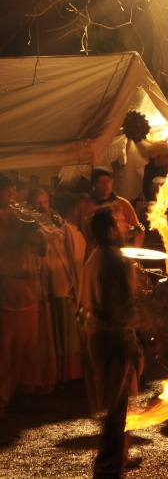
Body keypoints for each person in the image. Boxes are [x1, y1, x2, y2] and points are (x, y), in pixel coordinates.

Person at [80, 207, 144, 478]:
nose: (127, 226)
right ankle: (108, 468)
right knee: (117, 408)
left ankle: (119, 457)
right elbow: (124, 309)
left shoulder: (95, 256)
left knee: (119, 403)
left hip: (98, 337)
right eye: (120, 223)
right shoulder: (116, 260)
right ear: (110, 231)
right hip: (114, 339)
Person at [0, 175, 55, 418]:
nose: (12, 195)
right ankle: (2, 398)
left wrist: (36, 235)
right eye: (8, 191)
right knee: (6, 350)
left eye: (13, 190)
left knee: (29, 346)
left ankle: (23, 391)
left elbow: (46, 241)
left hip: (30, 292)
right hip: (9, 292)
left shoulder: (17, 214)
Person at [29, 188, 86, 383]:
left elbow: (75, 237)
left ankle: (68, 373)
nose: (42, 206)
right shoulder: (29, 226)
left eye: (45, 202)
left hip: (62, 282)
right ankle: (51, 374)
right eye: (38, 202)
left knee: (66, 331)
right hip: (45, 285)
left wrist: (63, 228)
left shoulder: (58, 222)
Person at [68, 167, 144, 259]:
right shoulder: (82, 206)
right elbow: (69, 230)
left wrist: (131, 255)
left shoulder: (123, 205)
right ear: (94, 185)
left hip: (118, 255)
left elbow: (138, 231)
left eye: (108, 181)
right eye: (101, 182)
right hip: (90, 255)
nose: (106, 185)